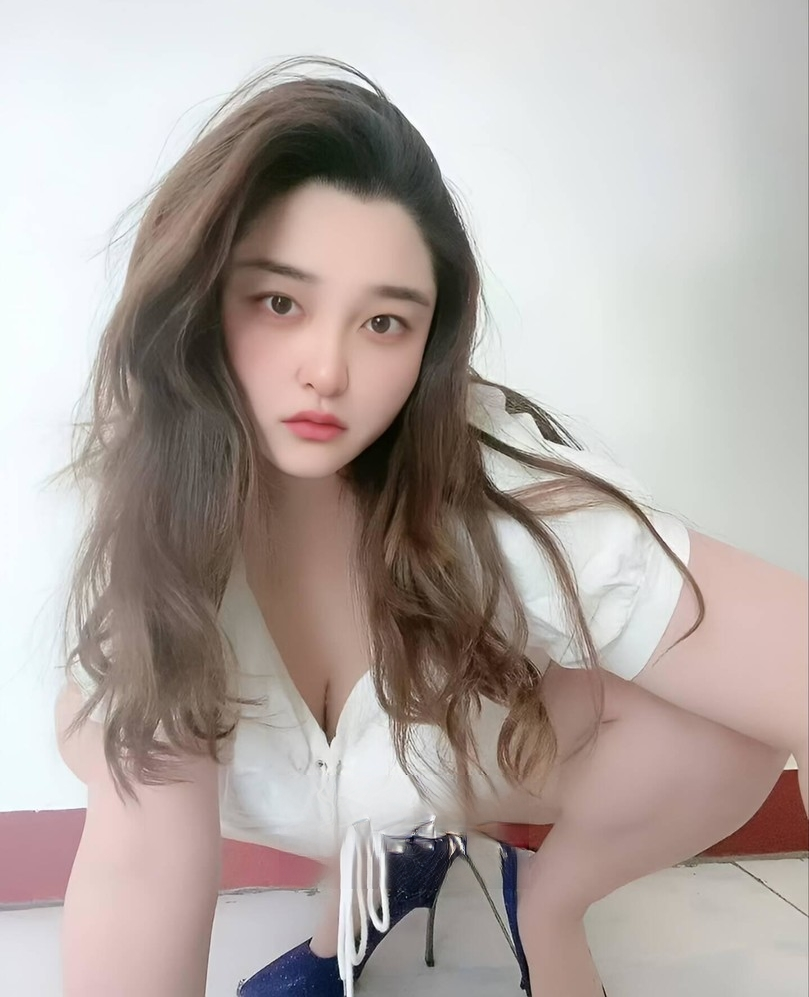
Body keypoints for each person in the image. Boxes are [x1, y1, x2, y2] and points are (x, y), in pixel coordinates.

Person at [52, 57, 808, 997]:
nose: (326, 369)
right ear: (198, 301)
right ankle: (366, 879)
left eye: (383, 323)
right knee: (110, 726)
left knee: (722, 730)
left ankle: (541, 904)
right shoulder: (153, 490)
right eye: (280, 301)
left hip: (443, 749)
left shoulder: (500, 485)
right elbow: (140, 861)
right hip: (253, 775)